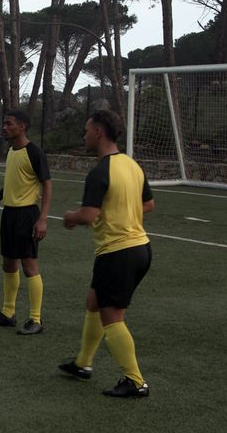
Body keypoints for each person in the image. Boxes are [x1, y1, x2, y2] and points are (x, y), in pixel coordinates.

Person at [59, 109, 155, 398]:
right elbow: (148, 204)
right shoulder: (132, 165)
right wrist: (121, 213)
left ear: (99, 132)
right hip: (141, 249)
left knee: (112, 317)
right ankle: (83, 363)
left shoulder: (100, 171)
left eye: (87, 129)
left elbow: (88, 215)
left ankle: (135, 381)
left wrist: (69, 217)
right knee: (94, 302)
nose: (84, 135)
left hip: (118, 252)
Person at [0, 110, 53, 335]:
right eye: (4, 123)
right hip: (9, 214)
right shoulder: (12, 151)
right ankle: (8, 313)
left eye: (9, 124)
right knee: (9, 264)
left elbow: (47, 185)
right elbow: (16, 181)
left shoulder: (34, 152)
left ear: (22, 127)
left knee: (29, 266)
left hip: (27, 215)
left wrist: (42, 219)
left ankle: (36, 319)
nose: (4, 127)